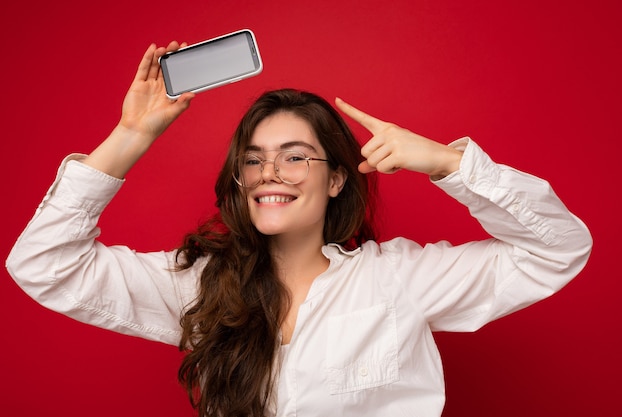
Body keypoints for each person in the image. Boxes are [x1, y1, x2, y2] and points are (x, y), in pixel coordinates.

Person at [6, 41, 592, 417]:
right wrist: (131, 135)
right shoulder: (196, 288)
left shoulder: (400, 279)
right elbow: (44, 265)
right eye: (254, 158)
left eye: (294, 156)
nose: (269, 174)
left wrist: (447, 163)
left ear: (337, 178)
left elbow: (556, 250)